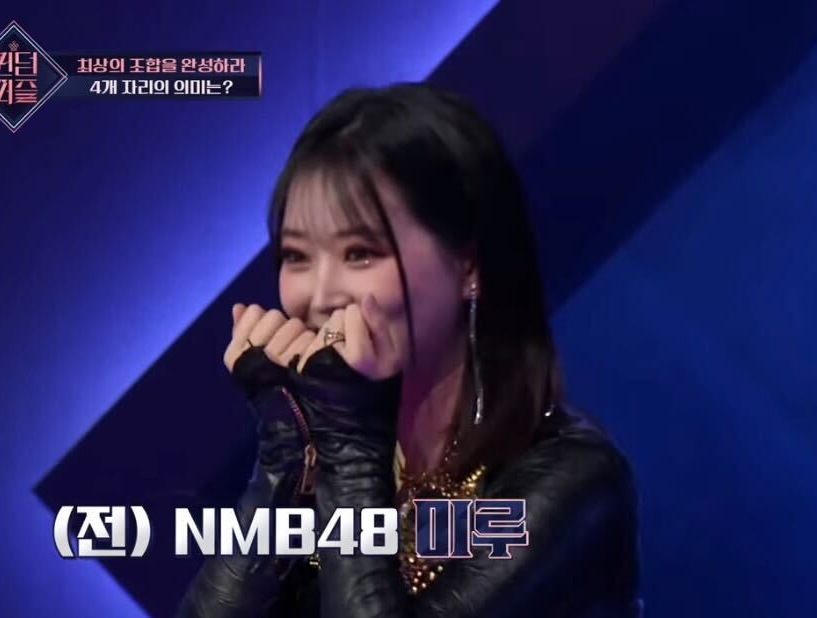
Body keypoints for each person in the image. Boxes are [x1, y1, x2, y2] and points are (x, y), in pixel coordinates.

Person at [176, 82, 640, 617]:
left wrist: (349, 444)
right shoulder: (325, 462)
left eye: (359, 253)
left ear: (469, 265)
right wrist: (285, 455)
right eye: (296, 256)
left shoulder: (571, 481)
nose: (319, 298)